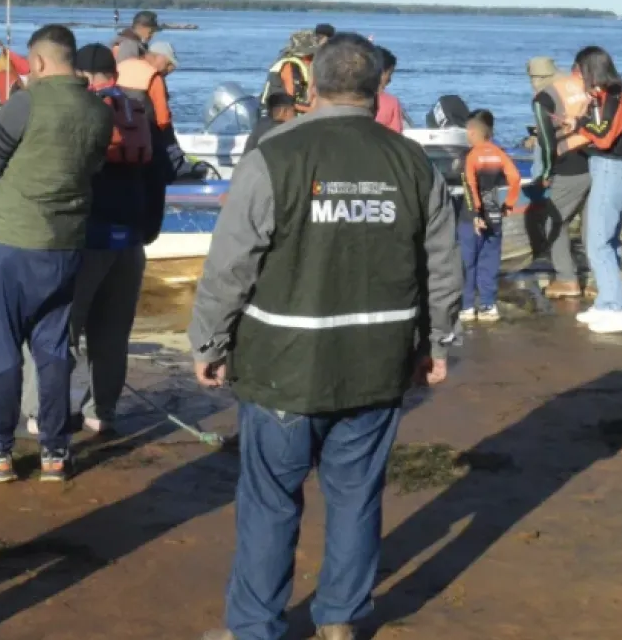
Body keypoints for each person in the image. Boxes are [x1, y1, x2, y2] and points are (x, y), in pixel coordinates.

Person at [190, 33, 460, 640]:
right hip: (377, 360)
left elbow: (230, 264)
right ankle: (339, 620)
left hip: (286, 366)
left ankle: (257, 626)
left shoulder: (275, 155)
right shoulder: (413, 162)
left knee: (269, 501)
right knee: (355, 496)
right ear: (377, 89)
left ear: (311, 85)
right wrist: (438, 342)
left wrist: (208, 342)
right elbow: (443, 264)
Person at [0, 25, 113, 484]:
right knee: (53, 349)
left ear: (41, 62)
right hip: (66, 245)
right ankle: (54, 452)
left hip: (14, 243)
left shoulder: (25, 103)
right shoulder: (98, 112)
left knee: (2, 348)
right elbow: (94, 167)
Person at [22, 43, 161, 436]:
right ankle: (102, 412)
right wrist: (148, 229)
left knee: (56, 330)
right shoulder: (139, 109)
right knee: (112, 335)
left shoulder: (81, 111)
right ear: (112, 73)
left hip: (85, 241)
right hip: (130, 242)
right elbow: (159, 172)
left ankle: (40, 412)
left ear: (81, 74)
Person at [559, 47, 622, 333]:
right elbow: (599, 129)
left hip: (612, 168)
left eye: (578, 70)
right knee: (608, 240)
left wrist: (580, 125)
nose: (576, 76)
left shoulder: (615, 96)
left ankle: (617, 309)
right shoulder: (606, 97)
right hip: (607, 167)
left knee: (597, 242)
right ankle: (606, 301)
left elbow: (604, 138)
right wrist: (576, 127)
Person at [525, 56, 592, 299]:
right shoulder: (578, 85)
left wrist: (545, 174)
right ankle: (597, 280)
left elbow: (546, 141)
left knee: (553, 221)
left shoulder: (543, 98)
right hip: (598, 158)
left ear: (535, 79)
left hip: (570, 164)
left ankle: (567, 279)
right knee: (591, 225)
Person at [458, 110, 521, 323]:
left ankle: (467, 306)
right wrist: (509, 204)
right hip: (495, 214)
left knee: (468, 262)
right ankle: (488, 305)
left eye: (468, 130)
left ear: (474, 131)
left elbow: (469, 184)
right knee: (490, 260)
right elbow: (515, 178)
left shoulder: (471, 155)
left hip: (471, 218)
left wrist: (475, 212)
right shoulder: (499, 153)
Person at [263, 30, 320, 115]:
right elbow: (290, 100)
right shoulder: (290, 66)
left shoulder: (301, 65)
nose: (314, 58)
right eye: (311, 55)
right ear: (304, 55)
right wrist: (315, 111)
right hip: (277, 116)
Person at [373, 47, 405, 131]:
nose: (390, 80)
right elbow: (396, 134)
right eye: (389, 74)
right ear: (381, 73)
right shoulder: (391, 102)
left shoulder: (348, 98)